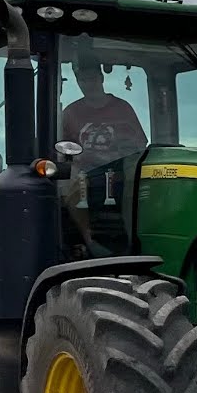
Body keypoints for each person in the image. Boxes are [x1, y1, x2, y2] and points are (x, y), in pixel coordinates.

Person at [59, 58, 147, 257]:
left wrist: (118, 152)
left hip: (118, 168)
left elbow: (140, 144)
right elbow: (61, 150)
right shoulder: (71, 113)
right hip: (86, 172)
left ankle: (132, 242)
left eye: (91, 79)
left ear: (101, 78)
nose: (87, 84)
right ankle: (89, 240)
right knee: (70, 180)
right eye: (82, 80)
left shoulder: (123, 109)